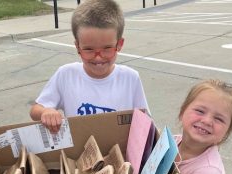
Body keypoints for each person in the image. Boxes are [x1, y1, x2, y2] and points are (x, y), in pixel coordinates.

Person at [30, 0, 149, 132]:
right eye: (89, 49)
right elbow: (35, 110)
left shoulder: (130, 78)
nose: (98, 57)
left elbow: (145, 121)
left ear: (119, 44)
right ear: (77, 47)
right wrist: (46, 112)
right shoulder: (66, 75)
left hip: (121, 151)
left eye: (107, 48)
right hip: (80, 152)